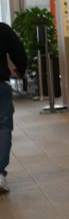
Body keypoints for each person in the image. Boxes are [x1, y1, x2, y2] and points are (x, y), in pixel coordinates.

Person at [0, 21, 27, 193]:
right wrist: (21, 69)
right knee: (2, 127)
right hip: (0, 85)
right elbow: (19, 53)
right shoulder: (2, 30)